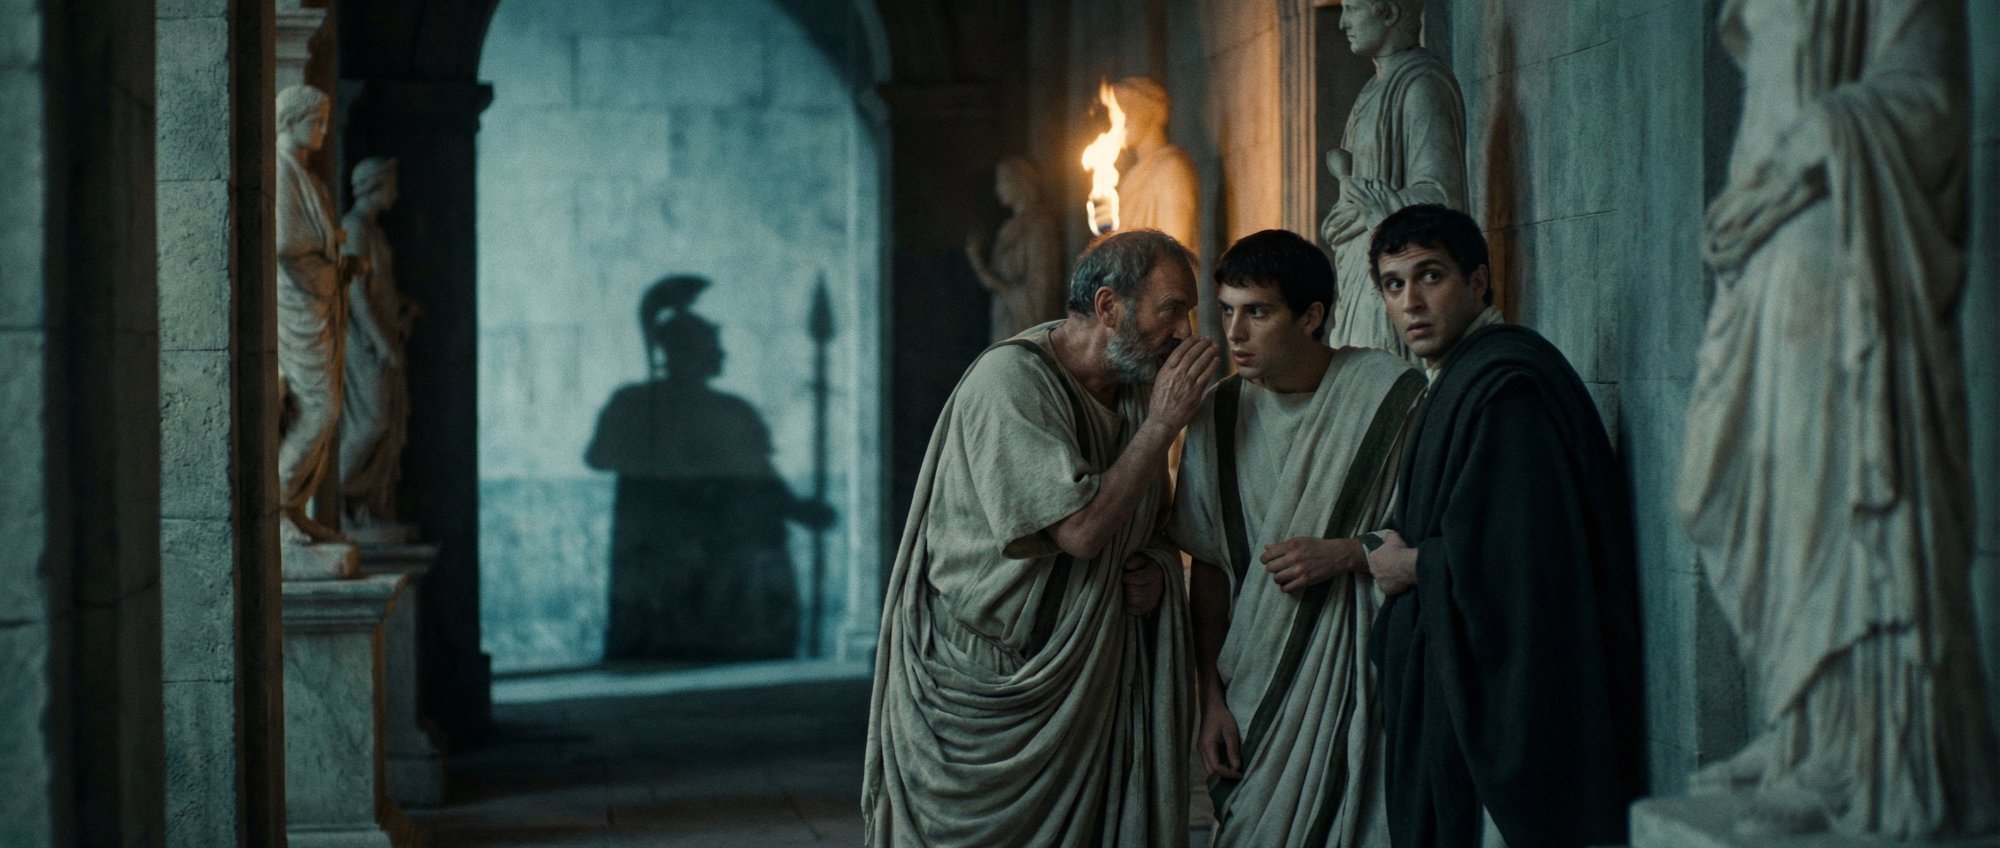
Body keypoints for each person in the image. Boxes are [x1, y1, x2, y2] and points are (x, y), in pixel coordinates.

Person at [1678, 0, 1999, 835]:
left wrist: (1816, 142)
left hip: (1837, 241)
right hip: (1760, 249)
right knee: (1734, 493)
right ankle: (1800, 724)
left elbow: (1930, 94)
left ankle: (1853, 747)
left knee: (1828, 497)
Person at [863, 229, 1216, 847]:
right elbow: (1080, 531)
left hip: (1091, 677)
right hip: (986, 681)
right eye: (1170, 310)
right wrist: (1162, 424)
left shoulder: (1136, 390)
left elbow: (1150, 529)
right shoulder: (1011, 382)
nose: (1185, 332)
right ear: (1109, 307)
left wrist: (1157, 571)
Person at [1364, 204, 1644, 847]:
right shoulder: (1463, 376)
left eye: (1430, 276)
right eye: (1393, 284)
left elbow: (1523, 560)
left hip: (1515, 707)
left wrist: (1410, 565)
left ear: (1479, 281)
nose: (1411, 302)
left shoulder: (1506, 387)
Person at [1173, 229, 1421, 847]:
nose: (1234, 334)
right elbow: (1208, 566)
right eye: (1227, 311)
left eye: (1257, 313)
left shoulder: (1387, 395)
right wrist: (1209, 697)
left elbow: (1433, 535)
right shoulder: (1216, 415)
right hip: (1253, 687)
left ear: (1311, 317)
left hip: (1362, 679)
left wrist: (1345, 553)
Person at [1318, 0, 1466, 357]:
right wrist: (1348, 214)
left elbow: (1441, 198)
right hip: (1361, 274)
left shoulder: (1422, 86)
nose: (1342, 23)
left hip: (1397, 281)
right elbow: (1350, 204)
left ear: (1389, 12)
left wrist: (1372, 208)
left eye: (1352, 8)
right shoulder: (1369, 92)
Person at [966, 156, 1065, 341]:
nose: (998, 190)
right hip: (1006, 322)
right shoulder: (1011, 227)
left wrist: (981, 268)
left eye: (1002, 181)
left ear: (1020, 182)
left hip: (1024, 329)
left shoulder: (1039, 226)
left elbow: (1040, 293)